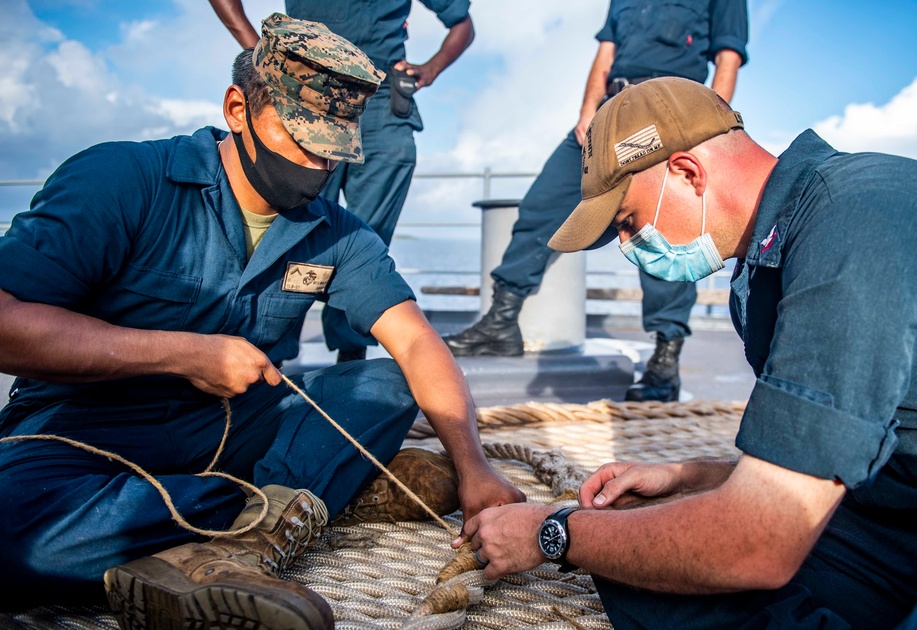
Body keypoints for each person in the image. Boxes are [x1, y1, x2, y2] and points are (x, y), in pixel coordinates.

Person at [0, 14, 522, 628]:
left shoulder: (336, 233)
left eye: (333, 152)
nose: (317, 167)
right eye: (301, 141)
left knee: (384, 384)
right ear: (237, 108)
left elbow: (413, 340)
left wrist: (474, 468)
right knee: (13, 534)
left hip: (232, 426)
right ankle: (292, 505)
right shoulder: (119, 179)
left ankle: (241, 525)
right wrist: (181, 354)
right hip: (83, 432)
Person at [453, 78, 917, 629]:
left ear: (688, 173)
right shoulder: (775, 255)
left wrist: (554, 532)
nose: (627, 248)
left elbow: (758, 543)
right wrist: (694, 477)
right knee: (646, 564)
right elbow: (838, 447)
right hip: (902, 512)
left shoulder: (859, 230)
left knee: (684, 555)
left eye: (627, 222)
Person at [444, 0, 747, 403]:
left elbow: (728, 57)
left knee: (661, 226)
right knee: (542, 207)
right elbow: (606, 51)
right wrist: (588, 108)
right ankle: (500, 323)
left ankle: (664, 357)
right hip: (610, 109)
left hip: (668, 110)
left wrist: (706, 123)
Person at [211, 0, 475, 362]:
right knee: (290, 222)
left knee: (366, 235)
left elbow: (462, 23)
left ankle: (352, 357)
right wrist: (258, 49)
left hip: (382, 98)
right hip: (306, 91)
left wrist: (430, 69)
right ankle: (268, 353)